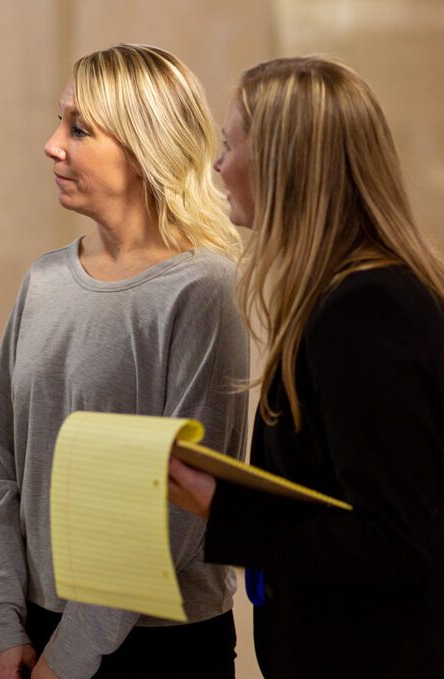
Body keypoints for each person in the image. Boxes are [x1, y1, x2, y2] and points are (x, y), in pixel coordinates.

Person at [0, 44, 249, 679]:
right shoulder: (43, 280)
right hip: (37, 627)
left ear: (143, 146)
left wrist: (72, 655)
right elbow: (2, 470)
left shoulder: (205, 289)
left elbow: (181, 502)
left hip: (161, 645)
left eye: (79, 128)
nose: (52, 145)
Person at [168, 57, 444, 678]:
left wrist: (224, 506)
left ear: (282, 164)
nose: (217, 166)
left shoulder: (371, 310)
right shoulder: (346, 297)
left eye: (230, 144)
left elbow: (395, 542)